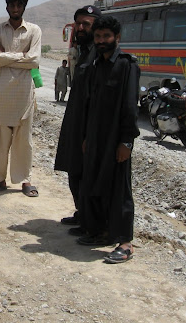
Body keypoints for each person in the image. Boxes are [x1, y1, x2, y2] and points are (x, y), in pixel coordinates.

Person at [77, 15, 140, 264]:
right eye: (98, 37)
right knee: (94, 183)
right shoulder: (96, 65)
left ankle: (125, 243)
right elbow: (90, 105)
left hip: (116, 139)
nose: (101, 41)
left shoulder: (127, 65)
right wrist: (86, 137)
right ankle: (102, 232)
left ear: (117, 38)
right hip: (95, 137)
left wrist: (127, 142)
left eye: (106, 37)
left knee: (118, 189)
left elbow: (130, 108)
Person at [0, 0, 42, 197]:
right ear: (7, 7)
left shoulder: (34, 31)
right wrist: (21, 57)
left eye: (19, 6)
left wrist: (6, 56)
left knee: (23, 141)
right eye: (12, 6)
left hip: (24, 94)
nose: (15, 9)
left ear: (23, 7)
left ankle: (24, 180)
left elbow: (35, 60)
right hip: (1, 92)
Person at [54, 5, 102, 232]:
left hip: (89, 125)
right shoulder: (84, 52)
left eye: (86, 24)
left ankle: (91, 221)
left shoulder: (98, 55)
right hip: (76, 119)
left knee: (86, 173)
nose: (81, 28)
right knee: (74, 169)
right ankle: (82, 213)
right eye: (78, 24)